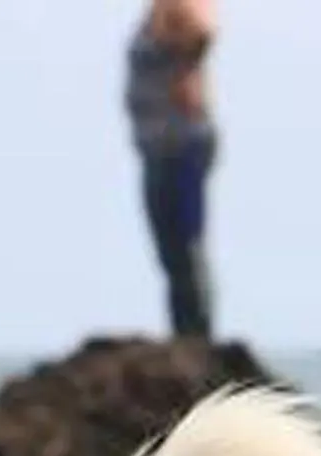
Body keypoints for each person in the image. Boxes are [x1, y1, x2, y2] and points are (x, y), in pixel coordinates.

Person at [125, 0, 218, 342]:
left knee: (184, 249)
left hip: (179, 146)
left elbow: (205, 30)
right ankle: (186, 335)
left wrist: (186, 71)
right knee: (172, 252)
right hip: (160, 148)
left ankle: (196, 338)